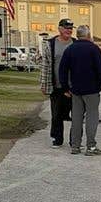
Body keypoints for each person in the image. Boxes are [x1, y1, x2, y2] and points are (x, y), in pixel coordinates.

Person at [58, 25, 101, 155]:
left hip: (76, 90)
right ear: (88, 35)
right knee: (92, 117)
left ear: (77, 35)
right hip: (92, 89)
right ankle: (91, 147)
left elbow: (62, 70)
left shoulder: (70, 49)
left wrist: (65, 87)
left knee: (76, 118)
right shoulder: (94, 49)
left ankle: (75, 146)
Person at [39, 18, 76, 147]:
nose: (69, 30)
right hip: (56, 86)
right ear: (60, 29)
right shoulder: (51, 44)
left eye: (71, 28)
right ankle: (57, 138)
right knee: (56, 115)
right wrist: (44, 84)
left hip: (73, 87)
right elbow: (45, 65)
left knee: (76, 115)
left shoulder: (75, 43)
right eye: (66, 28)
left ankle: (74, 140)